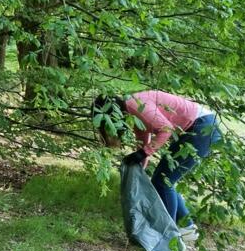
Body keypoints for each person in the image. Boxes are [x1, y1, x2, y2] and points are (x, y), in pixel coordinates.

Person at [93, 90, 221, 241]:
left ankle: (169, 237)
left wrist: (144, 153)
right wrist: (140, 162)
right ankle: (187, 229)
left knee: (163, 181)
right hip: (199, 127)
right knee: (164, 180)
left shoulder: (134, 105)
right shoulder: (132, 107)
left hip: (203, 128)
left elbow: (166, 129)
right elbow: (143, 134)